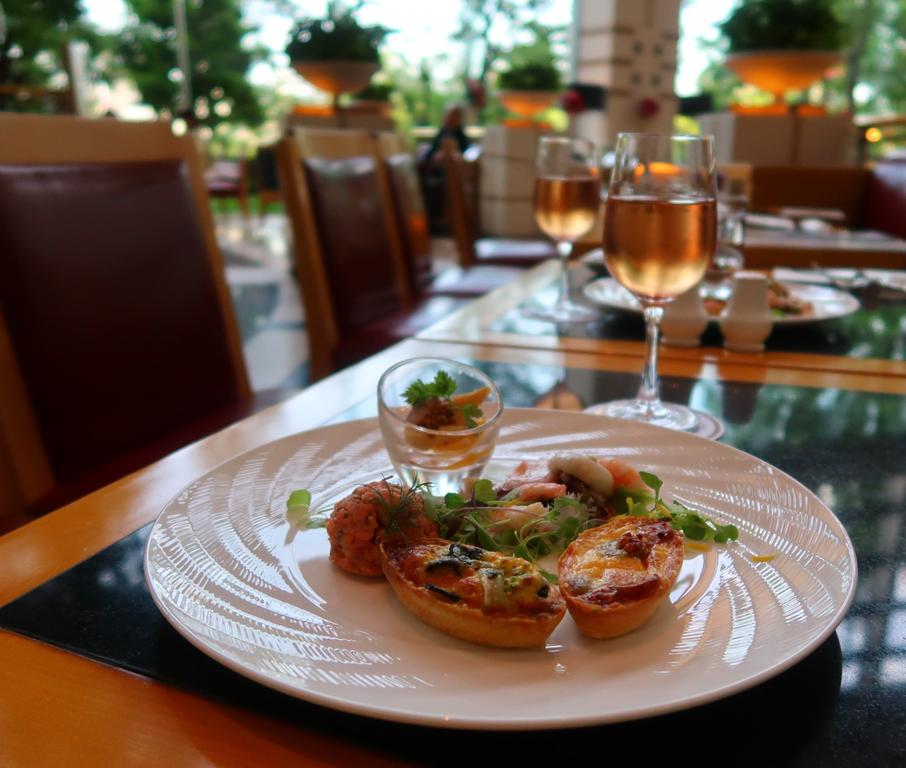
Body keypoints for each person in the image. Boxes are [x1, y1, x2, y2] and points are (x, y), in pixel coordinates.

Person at [422, 103, 470, 168]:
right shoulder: (441, 133)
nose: (453, 118)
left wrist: (458, 156)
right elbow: (429, 155)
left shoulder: (461, 135)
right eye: (450, 115)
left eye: (456, 115)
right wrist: (437, 156)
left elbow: (467, 153)